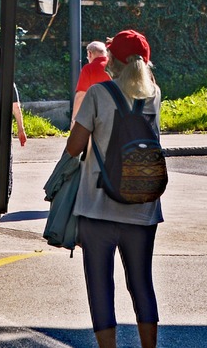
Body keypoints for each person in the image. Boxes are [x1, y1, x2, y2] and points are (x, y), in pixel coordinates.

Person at [65, 29, 162, 348]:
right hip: (143, 208)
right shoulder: (154, 95)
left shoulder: (98, 94)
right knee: (141, 283)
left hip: (97, 207)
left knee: (100, 285)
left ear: (114, 62)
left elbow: (74, 146)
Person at [72, 40, 111, 122]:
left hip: (96, 116)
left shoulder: (88, 68)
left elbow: (80, 95)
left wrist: (74, 119)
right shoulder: (115, 66)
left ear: (90, 53)